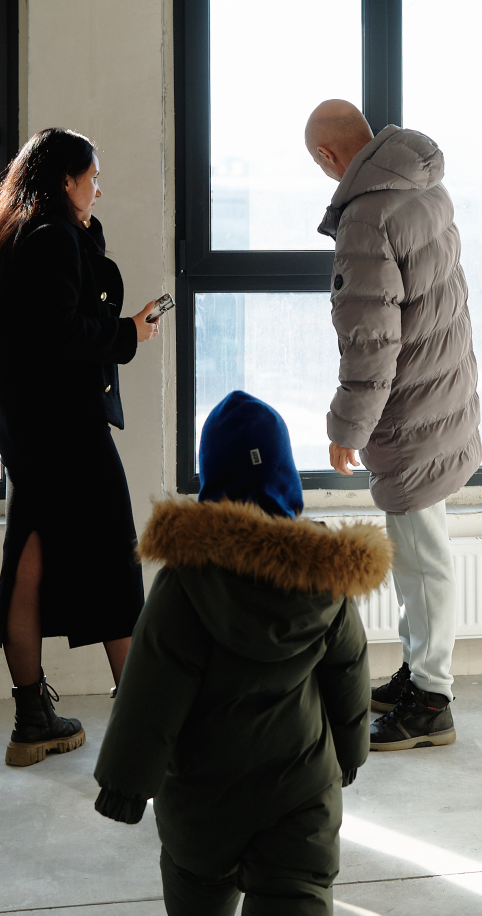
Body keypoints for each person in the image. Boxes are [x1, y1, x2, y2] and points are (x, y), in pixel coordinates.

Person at [92, 390, 390, 916]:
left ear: (212, 484)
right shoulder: (325, 579)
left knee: (196, 893)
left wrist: (126, 782)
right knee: (297, 898)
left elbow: (150, 687)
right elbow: (348, 670)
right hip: (300, 795)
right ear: (288, 479)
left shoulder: (184, 582)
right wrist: (350, 752)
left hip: (203, 798)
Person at [0, 127, 165, 767]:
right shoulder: (52, 237)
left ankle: (32, 721)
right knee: (114, 564)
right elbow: (64, 335)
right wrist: (129, 332)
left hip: (26, 425)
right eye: (92, 176)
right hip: (67, 426)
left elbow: (46, 329)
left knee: (29, 559)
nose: (98, 188)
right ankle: (143, 733)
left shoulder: (17, 234)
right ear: (65, 180)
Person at [304, 99, 482, 752]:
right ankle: (419, 673)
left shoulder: (366, 215)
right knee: (418, 553)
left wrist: (347, 428)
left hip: (411, 410)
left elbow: (371, 337)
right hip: (443, 393)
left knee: (422, 560)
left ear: (328, 156)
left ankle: (431, 701)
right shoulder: (423, 186)